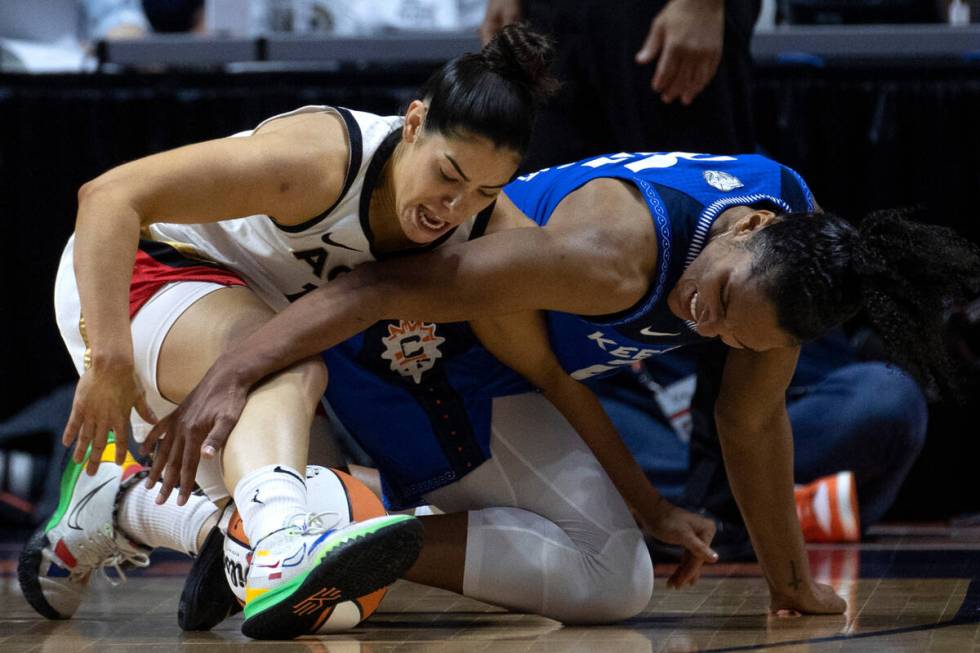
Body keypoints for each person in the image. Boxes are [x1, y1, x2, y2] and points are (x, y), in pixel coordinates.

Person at [153, 149, 979, 628]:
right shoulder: (610, 251)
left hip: (509, 362)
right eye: (719, 303)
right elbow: (375, 291)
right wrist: (237, 367)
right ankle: (321, 520)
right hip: (408, 344)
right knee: (608, 574)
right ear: (749, 229)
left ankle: (316, 521)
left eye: (733, 334)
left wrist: (789, 582)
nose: (707, 323)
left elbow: (750, 420)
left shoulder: (789, 238)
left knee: (616, 571)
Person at [19, 24, 561, 640]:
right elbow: (109, 196)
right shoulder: (321, 159)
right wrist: (108, 361)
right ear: (413, 123)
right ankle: (281, 549)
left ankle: (119, 508)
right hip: (135, 275)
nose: (453, 206)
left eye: (481, 191)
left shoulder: (486, 222)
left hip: (241, 327)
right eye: (447, 175)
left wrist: (647, 505)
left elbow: (559, 316)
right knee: (290, 372)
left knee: (324, 517)